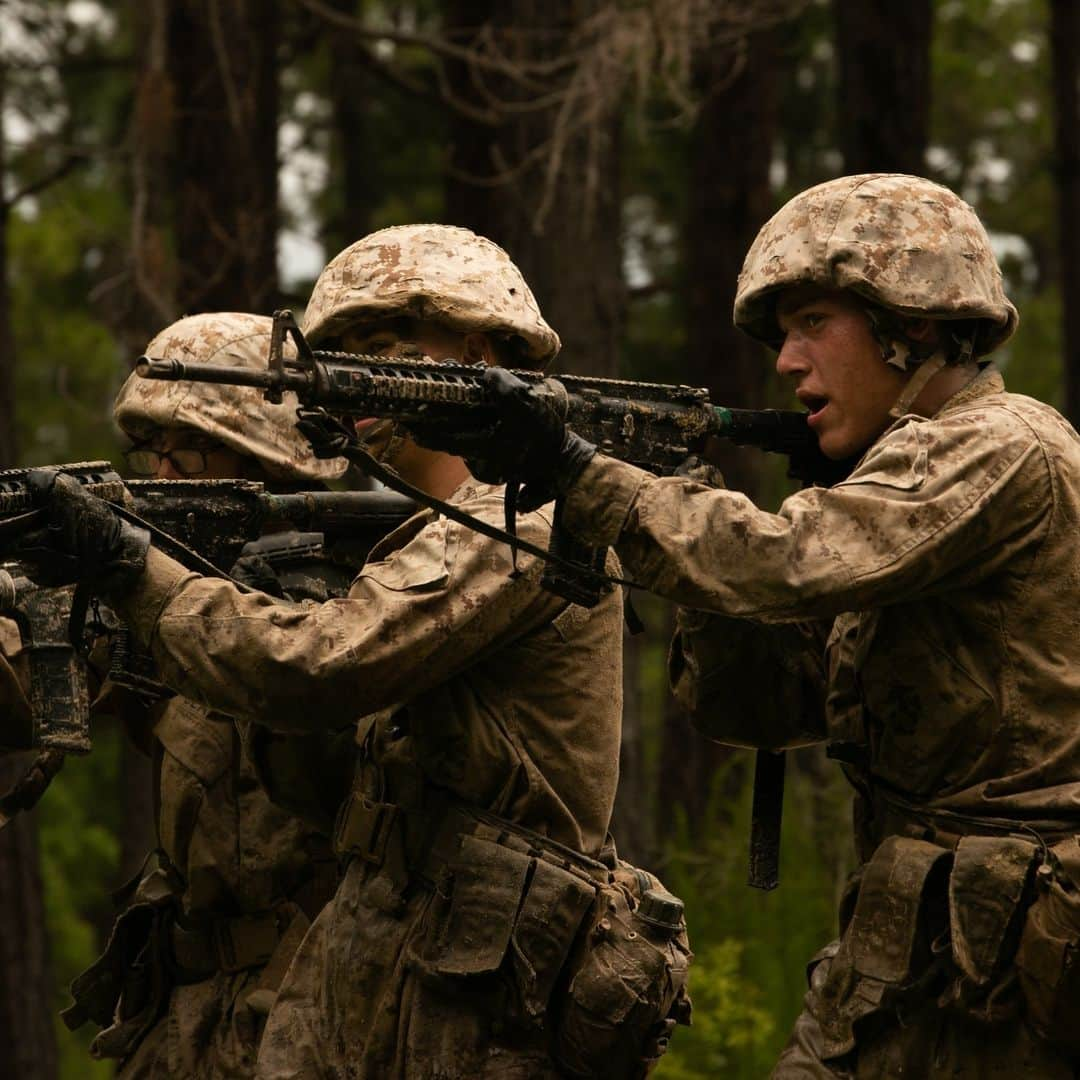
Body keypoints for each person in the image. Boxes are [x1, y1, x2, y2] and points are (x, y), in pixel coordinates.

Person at [409, 174, 1080, 1076]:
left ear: (911, 323)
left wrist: (587, 473)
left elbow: (782, 563)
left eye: (812, 324)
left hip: (1024, 969)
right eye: (781, 337)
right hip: (918, 957)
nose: (785, 363)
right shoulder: (889, 482)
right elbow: (762, 707)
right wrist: (682, 507)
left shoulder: (1002, 445)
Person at [28, 226, 661, 1078]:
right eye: (337, 353)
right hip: (391, 963)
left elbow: (314, 668)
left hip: (482, 989)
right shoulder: (421, 535)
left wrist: (129, 568)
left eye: (381, 346)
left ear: (477, 352)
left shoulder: (521, 520)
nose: (349, 375)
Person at [64, 311, 354, 1078]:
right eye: (148, 448)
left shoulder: (348, 600)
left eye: (187, 446)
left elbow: (320, 752)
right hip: (184, 1015)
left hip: (317, 1011)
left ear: (267, 456)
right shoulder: (151, 590)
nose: (159, 472)